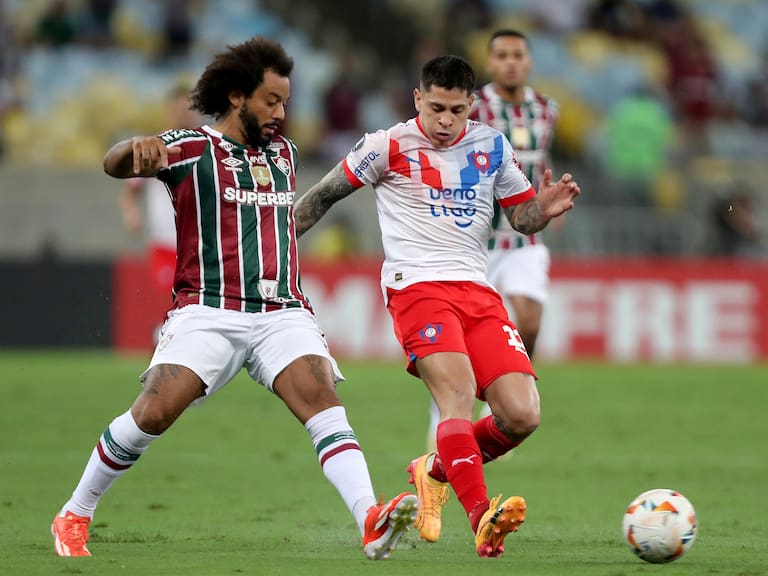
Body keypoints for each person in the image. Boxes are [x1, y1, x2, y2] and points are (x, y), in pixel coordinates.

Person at [51, 36, 416, 561]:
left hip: (279, 312)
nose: (282, 113)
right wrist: (136, 147)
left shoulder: (285, 155)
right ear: (239, 96)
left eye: (286, 102)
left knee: (323, 404)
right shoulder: (189, 147)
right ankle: (75, 512)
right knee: (152, 414)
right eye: (272, 101)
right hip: (207, 309)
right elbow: (114, 165)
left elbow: (285, 220)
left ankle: (371, 521)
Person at [294, 55, 579, 557]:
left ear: (471, 105)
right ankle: (481, 517)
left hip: (477, 289)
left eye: (455, 110)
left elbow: (521, 219)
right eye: (436, 108)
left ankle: (435, 469)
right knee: (459, 396)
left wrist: (544, 210)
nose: (445, 121)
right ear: (417, 99)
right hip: (416, 288)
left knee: (522, 414)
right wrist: (269, 251)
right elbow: (320, 198)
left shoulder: (490, 145)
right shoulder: (386, 145)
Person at [425, 29, 559, 451]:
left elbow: (539, 158)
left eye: (517, 54)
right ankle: (445, 415)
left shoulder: (546, 109)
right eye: (501, 55)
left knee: (531, 321)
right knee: (459, 340)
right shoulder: (472, 106)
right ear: (490, 61)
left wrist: (546, 199)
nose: (510, 62)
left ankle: (502, 393)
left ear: (529, 60)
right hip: (477, 242)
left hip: (522, 239)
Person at [119, 84, 201, 342]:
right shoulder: (156, 147)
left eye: (188, 108)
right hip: (165, 240)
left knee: (195, 301)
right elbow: (131, 189)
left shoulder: (206, 148)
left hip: (199, 242)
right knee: (171, 295)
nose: (183, 114)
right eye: (178, 108)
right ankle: (169, 341)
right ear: (168, 110)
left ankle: (178, 342)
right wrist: (131, 213)